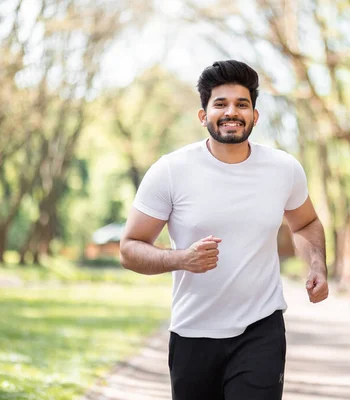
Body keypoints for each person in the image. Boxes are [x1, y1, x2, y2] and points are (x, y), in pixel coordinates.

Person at [119, 59, 328, 400]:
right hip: (192, 332)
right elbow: (129, 249)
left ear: (254, 116)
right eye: (221, 104)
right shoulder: (170, 171)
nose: (232, 112)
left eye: (242, 104)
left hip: (261, 328)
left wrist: (317, 266)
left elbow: (305, 222)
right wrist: (181, 259)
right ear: (203, 116)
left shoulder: (283, 169)